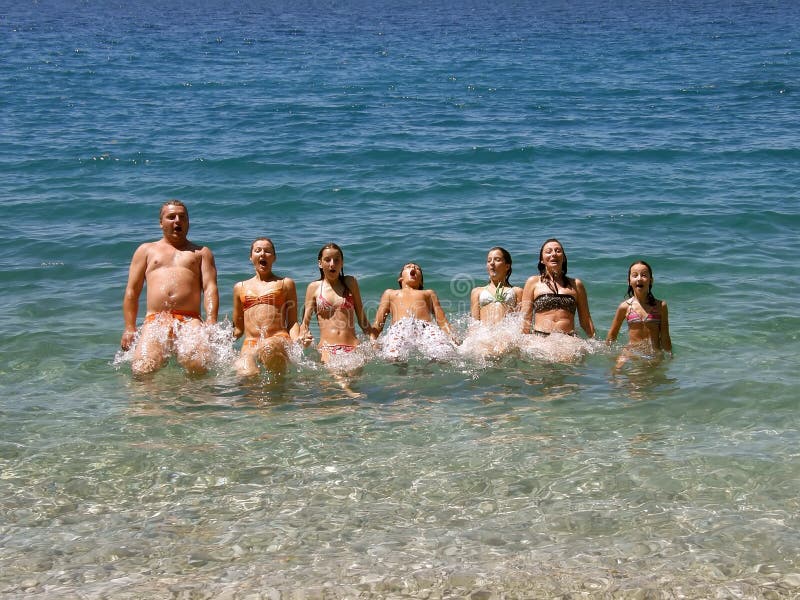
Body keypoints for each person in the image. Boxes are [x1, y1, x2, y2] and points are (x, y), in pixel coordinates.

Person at [121, 200, 219, 375]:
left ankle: (192, 401)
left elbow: (210, 289)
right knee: (142, 369)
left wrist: (211, 321)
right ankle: (150, 402)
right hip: (156, 319)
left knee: (198, 364)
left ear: (188, 222)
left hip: (191, 320)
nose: (177, 221)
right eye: (171, 217)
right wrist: (129, 328)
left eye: (182, 217)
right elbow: (132, 292)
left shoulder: (201, 253)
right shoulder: (146, 250)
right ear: (161, 223)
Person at [232, 238, 310, 377]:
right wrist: (218, 340)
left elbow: (292, 322)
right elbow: (238, 329)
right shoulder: (240, 287)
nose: (263, 254)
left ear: (274, 258)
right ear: (251, 257)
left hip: (278, 338)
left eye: (268, 251)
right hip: (251, 343)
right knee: (246, 373)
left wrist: (298, 338)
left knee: (268, 347)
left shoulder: (285, 283)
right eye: (258, 251)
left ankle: (280, 393)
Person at [300, 243, 373, 363]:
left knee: (349, 380)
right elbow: (305, 324)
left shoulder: (351, 283)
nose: (332, 264)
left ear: (342, 263)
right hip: (327, 349)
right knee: (341, 380)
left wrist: (373, 339)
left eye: (336, 260)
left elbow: (362, 320)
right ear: (320, 263)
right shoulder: (314, 287)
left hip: (353, 347)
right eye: (327, 260)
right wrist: (303, 336)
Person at [372, 262, 455, 360]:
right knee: (392, 356)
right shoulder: (390, 293)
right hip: (401, 327)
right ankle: (402, 371)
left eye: (417, 269)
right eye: (408, 267)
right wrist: (373, 340)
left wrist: (452, 337)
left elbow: (442, 320)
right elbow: (379, 322)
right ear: (400, 278)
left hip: (426, 328)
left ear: (421, 282)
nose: (413, 268)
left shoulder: (428, 293)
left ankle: (427, 371)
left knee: (444, 353)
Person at [521, 238, 595, 337]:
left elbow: (586, 321)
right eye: (548, 252)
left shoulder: (576, 285)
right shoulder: (533, 282)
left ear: (563, 258)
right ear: (542, 260)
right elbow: (525, 319)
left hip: (568, 339)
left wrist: (594, 340)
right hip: (540, 339)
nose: (554, 254)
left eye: (558, 251)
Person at [606, 260, 672, 361]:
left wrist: (669, 356)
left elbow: (665, 336)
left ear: (651, 280)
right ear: (629, 281)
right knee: (615, 374)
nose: (639, 278)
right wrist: (609, 355)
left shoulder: (660, 306)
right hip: (631, 353)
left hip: (654, 354)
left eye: (644, 275)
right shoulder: (624, 307)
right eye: (635, 275)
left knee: (655, 376)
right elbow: (612, 336)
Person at [470, 247, 523, 324]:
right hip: (484, 335)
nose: (491, 263)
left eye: (497, 260)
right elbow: (474, 324)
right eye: (489, 260)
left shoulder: (517, 291)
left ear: (507, 266)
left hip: (507, 335)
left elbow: (521, 323)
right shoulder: (477, 292)